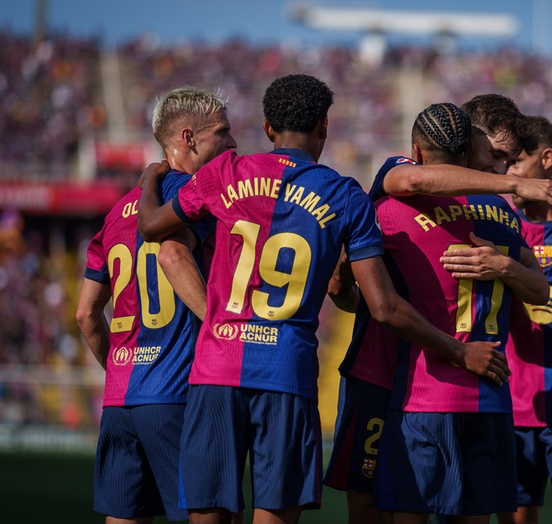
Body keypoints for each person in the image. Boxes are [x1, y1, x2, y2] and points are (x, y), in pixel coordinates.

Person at [136, 74, 509, 524]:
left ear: (269, 128)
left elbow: (153, 228)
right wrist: (457, 350)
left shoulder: (225, 173)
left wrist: (149, 179)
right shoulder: (345, 195)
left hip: (216, 369)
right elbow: (384, 307)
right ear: (324, 128)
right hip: (286, 373)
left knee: (208, 514)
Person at [324, 96, 552, 524]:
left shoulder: (493, 214)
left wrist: (505, 264)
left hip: (429, 380)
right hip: (380, 370)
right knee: (371, 500)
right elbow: (412, 184)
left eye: (511, 162)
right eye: (495, 155)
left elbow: (538, 289)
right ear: (466, 142)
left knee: (405, 505)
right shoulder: (399, 185)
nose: (501, 169)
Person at [76, 86, 237, 523]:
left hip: (119, 401)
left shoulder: (116, 213)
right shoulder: (200, 197)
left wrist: (122, 369)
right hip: (177, 392)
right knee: (212, 517)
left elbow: (87, 314)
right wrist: (223, 328)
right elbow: (173, 256)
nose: (233, 142)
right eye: (222, 132)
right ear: (188, 138)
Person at [455, 116, 552, 524]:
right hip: (512, 407)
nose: (507, 174)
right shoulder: (499, 224)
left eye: (516, 163)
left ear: (547, 159)